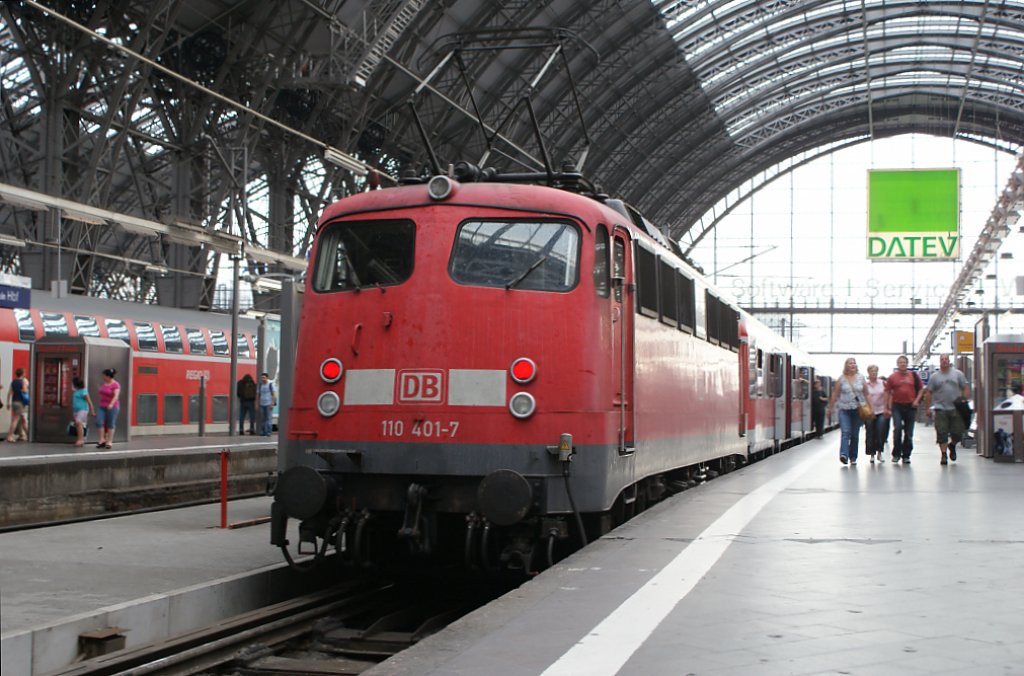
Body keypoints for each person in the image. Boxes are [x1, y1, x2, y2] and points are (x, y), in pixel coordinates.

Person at [922, 353, 970, 465]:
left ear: (949, 361)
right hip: (940, 408)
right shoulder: (935, 377)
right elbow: (929, 392)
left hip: (956, 408)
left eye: (946, 359)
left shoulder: (958, 374)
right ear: (940, 361)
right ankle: (943, 455)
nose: (944, 361)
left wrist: (964, 399)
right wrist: (927, 408)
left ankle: (952, 445)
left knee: (958, 432)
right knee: (941, 432)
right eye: (942, 359)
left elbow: (965, 387)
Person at [826, 357, 870, 465]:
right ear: (846, 366)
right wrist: (830, 408)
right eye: (850, 363)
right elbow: (835, 393)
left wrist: (870, 407)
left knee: (855, 434)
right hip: (844, 410)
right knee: (845, 432)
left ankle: (853, 456)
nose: (852, 364)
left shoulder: (861, 378)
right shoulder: (841, 379)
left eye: (854, 363)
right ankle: (844, 455)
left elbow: (866, 393)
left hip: (857, 410)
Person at [884, 355, 924, 463]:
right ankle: (896, 454)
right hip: (897, 406)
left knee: (908, 432)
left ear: (907, 364)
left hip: (910, 406)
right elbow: (887, 392)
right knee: (897, 429)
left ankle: (906, 455)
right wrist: (886, 407)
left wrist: (916, 400)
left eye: (904, 362)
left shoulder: (913, 376)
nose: (902, 364)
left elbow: (921, 389)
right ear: (897, 364)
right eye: (900, 362)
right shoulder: (892, 377)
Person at [863, 365, 889, 463]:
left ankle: (880, 452)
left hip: (881, 410)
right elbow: (863, 397)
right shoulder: (865, 385)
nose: (874, 373)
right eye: (872, 371)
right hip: (869, 412)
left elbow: (887, 394)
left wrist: (887, 407)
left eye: (875, 371)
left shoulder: (883, 383)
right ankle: (872, 454)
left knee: (880, 431)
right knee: (870, 432)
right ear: (868, 373)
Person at [96, 368, 121, 449]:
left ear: (108, 376)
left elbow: (116, 396)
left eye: (104, 375)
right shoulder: (104, 384)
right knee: (99, 422)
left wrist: (111, 404)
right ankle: (102, 439)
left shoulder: (116, 385)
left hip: (112, 406)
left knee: (110, 423)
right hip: (102, 406)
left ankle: (109, 441)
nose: (103, 377)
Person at [6, 367, 29, 442]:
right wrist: (25, 389)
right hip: (20, 403)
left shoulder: (13, 382)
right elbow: (25, 390)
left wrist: (8, 403)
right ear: (22, 374)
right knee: (15, 420)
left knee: (23, 419)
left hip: (14, 402)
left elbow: (9, 393)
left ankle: (27, 435)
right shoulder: (23, 381)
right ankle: (9, 436)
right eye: (24, 373)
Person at [71, 376, 96, 447]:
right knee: (78, 424)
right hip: (76, 410)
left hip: (83, 409)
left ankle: (80, 440)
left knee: (78, 422)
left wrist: (92, 410)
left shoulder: (84, 391)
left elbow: (89, 401)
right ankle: (80, 439)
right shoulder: (76, 391)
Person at [258, 372, 276, 436]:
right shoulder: (260, 385)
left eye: (264, 378)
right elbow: (258, 395)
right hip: (262, 404)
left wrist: (272, 403)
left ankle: (269, 432)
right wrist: (257, 403)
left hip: (268, 404)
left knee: (268, 418)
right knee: (263, 418)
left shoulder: (270, 385)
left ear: (267, 378)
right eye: (262, 378)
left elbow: (273, 395)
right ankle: (263, 432)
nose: (263, 379)